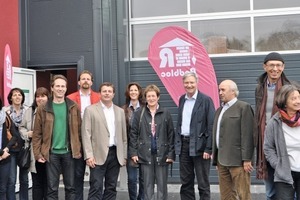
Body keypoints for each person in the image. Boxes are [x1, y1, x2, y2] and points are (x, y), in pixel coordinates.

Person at [32, 75, 82, 200]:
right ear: (52, 88)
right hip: (51, 154)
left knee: (71, 187)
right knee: (52, 188)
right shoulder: (42, 108)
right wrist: (38, 154)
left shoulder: (73, 106)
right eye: (58, 86)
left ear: (66, 88)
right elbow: (37, 134)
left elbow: (79, 131)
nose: (60, 89)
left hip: (69, 153)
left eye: (63, 86)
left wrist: (78, 149)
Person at [82, 82, 127, 200]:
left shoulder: (120, 111)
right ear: (100, 93)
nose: (107, 93)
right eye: (104, 91)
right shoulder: (90, 110)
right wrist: (89, 155)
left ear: (113, 94)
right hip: (97, 155)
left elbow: (123, 136)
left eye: (109, 91)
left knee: (111, 187)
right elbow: (86, 134)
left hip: (115, 154)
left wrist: (124, 155)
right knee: (96, 187)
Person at [255, 52, 291, 200]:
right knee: (270, 192)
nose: (275, 68)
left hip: (285, 145)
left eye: (278, 65)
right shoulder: (259, 89)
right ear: (265, 67)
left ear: (283, 67)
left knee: (290, 190)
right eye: (271, 65)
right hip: (266, 144)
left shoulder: (290, 89)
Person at [129, 84, 175, 200]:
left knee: (162, 186)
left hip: (162, 155)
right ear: (145, 98)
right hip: (145, 154)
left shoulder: (166, 113)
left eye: (153, 96)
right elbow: (133, 134)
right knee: (147, 186)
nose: (151, 98)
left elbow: (171, 135)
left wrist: (171, 154)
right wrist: (133, 153)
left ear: (158, 97)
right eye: (148, 96)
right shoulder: (139, 113)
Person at [175, 71, 215, 200]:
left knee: (203, 183)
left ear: (197, 83)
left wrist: (208, 148)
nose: (189, 85)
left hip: (200, 146)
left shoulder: (206, 100)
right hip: (184, 145)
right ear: (183, 84)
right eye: (186, 82)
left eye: (192, 82)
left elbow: (211, 125)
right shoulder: (182, 99)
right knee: (186, 182)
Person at [212, 80, 254, 200]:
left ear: (233, 92)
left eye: (223, 90)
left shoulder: (243, 107)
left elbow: (248, 135)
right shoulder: (219, 111)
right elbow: (217, 134)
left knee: (243, 195)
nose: (220, 92)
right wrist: (216, 158)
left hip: (238, 161)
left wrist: (247, 159)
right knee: (226, 196)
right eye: (219, 90)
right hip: (222, 161)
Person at [67, 70, 100, 200]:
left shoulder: (99, 97)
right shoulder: (70, 98)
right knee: (78, 175)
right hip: (77, 141)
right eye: (83, 79)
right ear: (79, 82)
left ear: (91, 82)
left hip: (95, 141)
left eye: (88, 79)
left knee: (96, 177)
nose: (85, 81)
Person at [264, 84, 300, 200]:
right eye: (293, 98)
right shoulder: (274, 122)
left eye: (299, 97)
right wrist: (278, 165)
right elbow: (268, 148)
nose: (298, 101)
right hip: (284, 174)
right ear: (284, 102)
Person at [19, 87, 50, 200]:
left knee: (49, 183)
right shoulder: (30, 111)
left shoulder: (52, 110)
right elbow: (21, 127)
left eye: (43, 96)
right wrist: (27, 133)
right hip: (34, 152)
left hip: (49, 151)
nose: (40, 98)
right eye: (38, 96)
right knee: (36, 183)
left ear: (48, 97)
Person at [5, 88, 29, 200]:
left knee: (24, 179)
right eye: (14, 95)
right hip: (11, 150)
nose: (17, 97)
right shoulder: (5, 112)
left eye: (19, 95)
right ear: (10, 98)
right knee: (12, 179)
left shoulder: (28, 111)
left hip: (24, 149)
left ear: (23, 97)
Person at [122, 82, 145, 200]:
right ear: (128, 92)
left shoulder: (145, 108)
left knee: (143, 178)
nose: (133, 92)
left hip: (144, 147)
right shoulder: (124, 109)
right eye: (131, 90)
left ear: (139, 92)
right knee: (131, 178)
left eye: (135, 90)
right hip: (130, 148)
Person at [0, 96, 18, 199]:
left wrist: (6, 148)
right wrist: (1, 153)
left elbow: (15, 135)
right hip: (2, 154)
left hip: (5, 158)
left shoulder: (5, 116)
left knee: (3, 188)